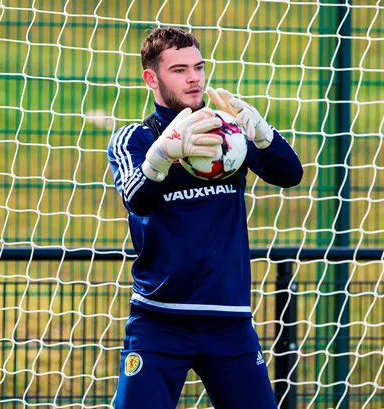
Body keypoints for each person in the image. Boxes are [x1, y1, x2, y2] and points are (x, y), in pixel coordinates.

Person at [107, 27, 303, 409]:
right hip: (159, 321)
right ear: (151, 78)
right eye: (179, 70)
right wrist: (162, 155)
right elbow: (136, 199)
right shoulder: (135, 139)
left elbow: (290, 174)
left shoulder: (227, 134)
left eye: (198, 67)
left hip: (229, 321)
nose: (194, 78)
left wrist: (262, 135)